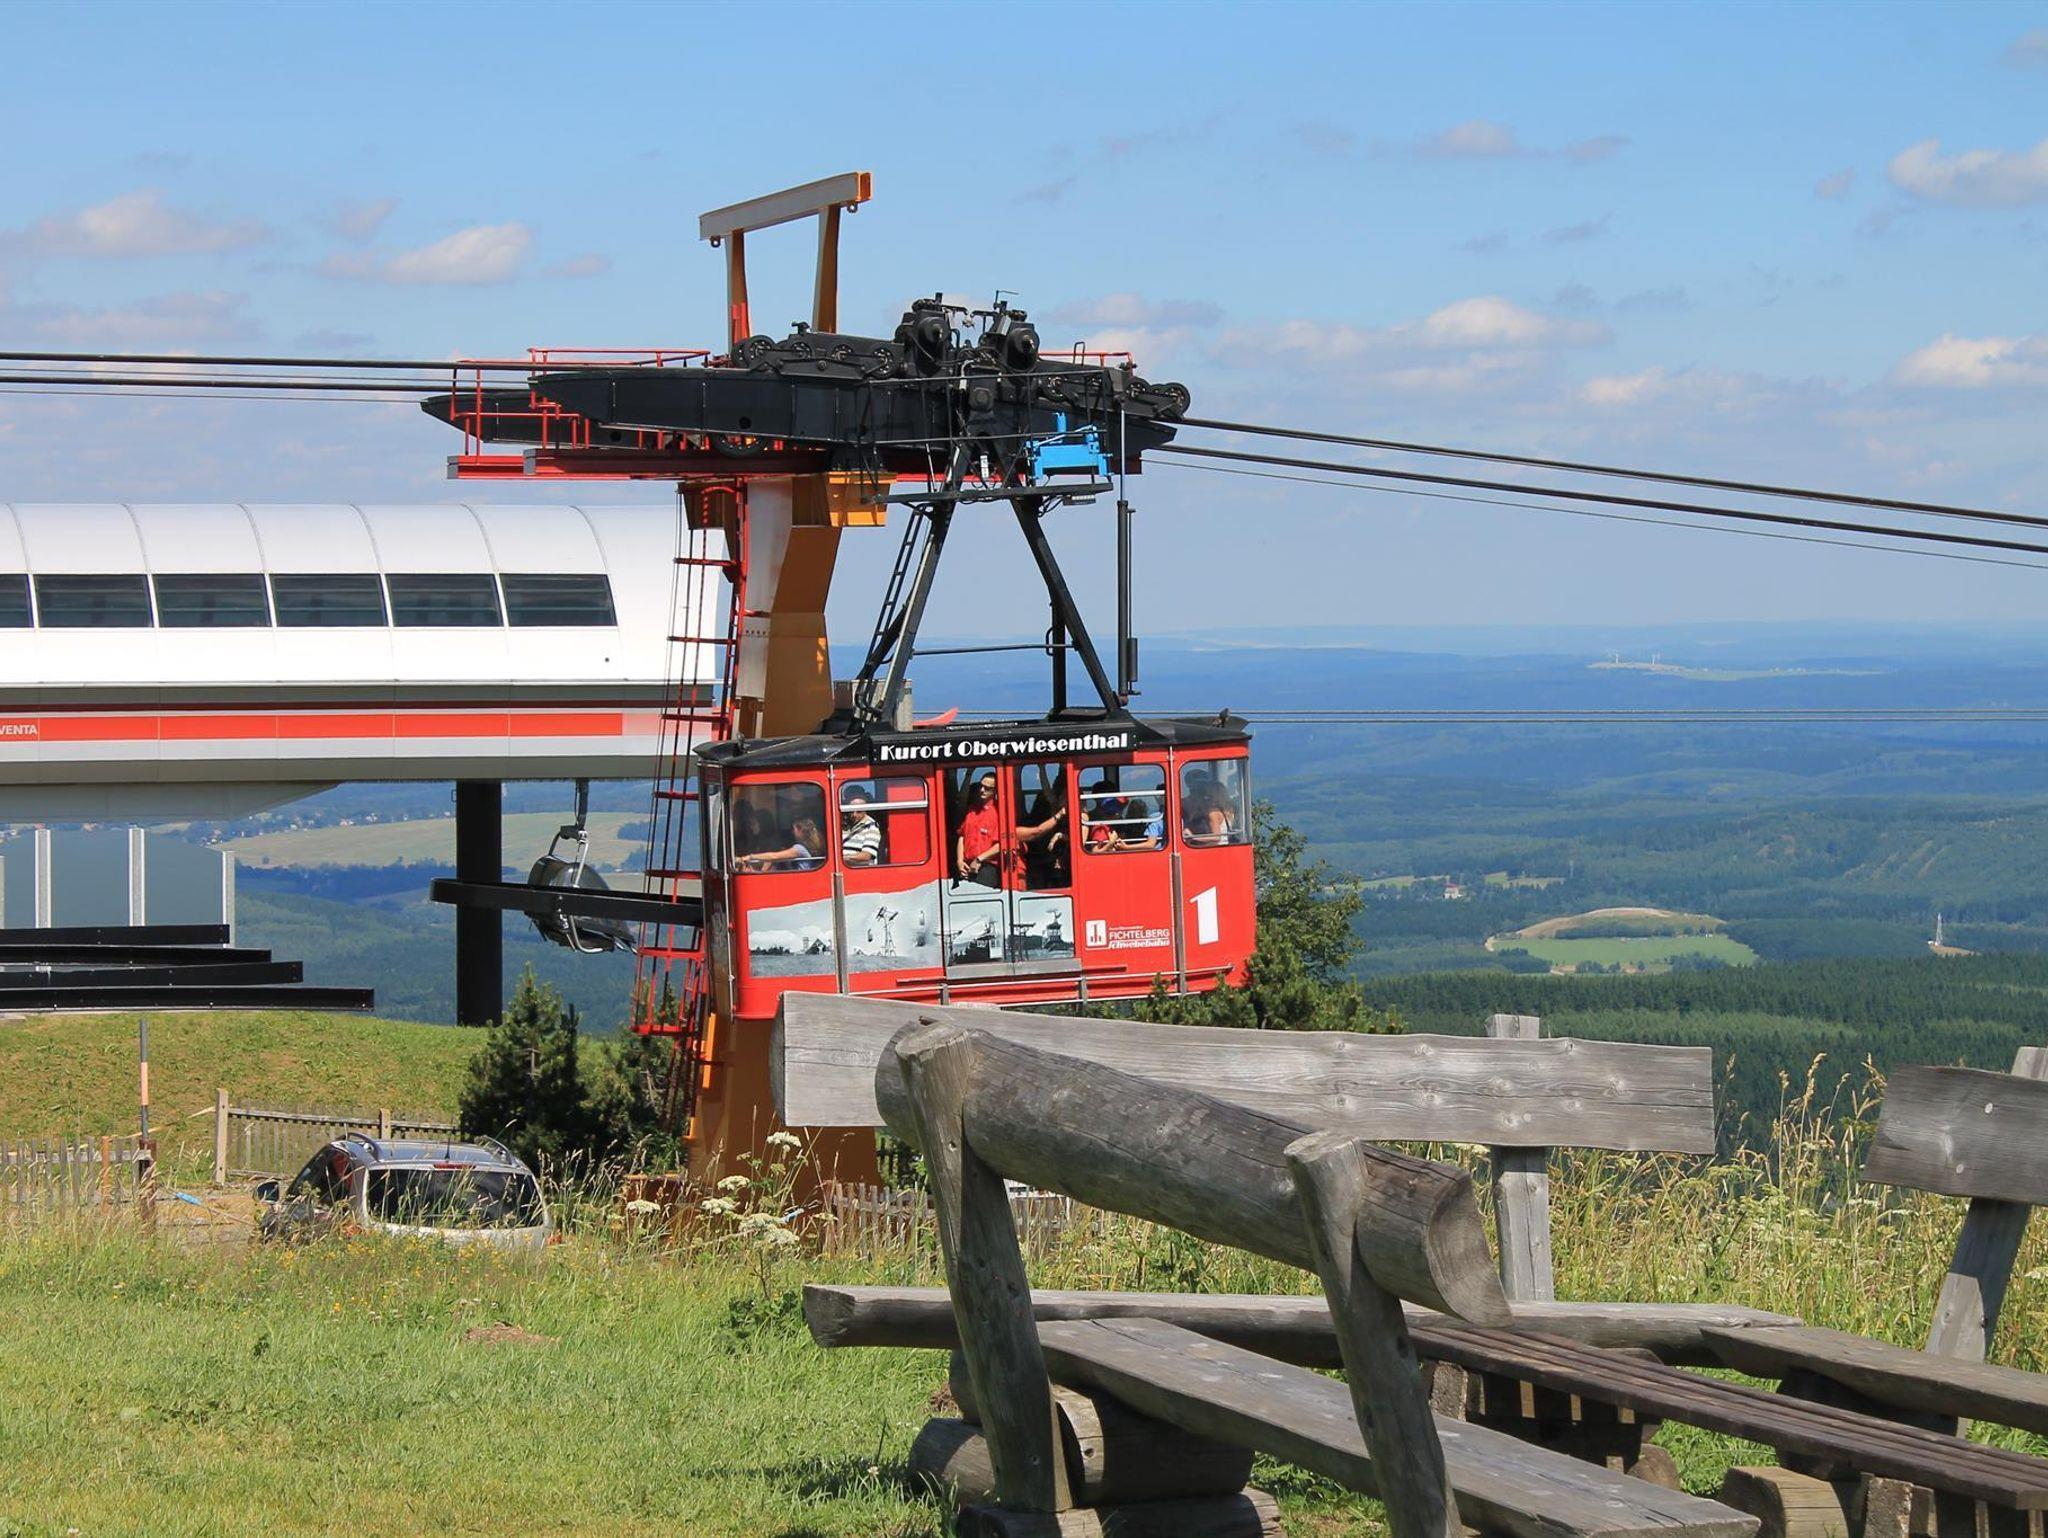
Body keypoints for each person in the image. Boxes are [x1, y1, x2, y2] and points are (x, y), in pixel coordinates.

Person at [954, 771, 1004, 887]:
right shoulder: (972, 809)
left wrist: (979, 859)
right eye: (981, 786)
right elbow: (962, 836)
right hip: (966, 866)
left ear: (995, 791)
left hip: (987, 867)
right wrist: (960, 861)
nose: (982, 790)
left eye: (987, 788)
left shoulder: (999, 813)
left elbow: (1002, 844)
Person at [738, 814, 825, 872]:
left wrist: (750, 857)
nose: (792, 832)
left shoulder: (799, 849)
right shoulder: (811, 846)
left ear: (800, 830)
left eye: (794, 829)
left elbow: (773, 856)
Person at [840, 793, 882, 867]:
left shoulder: (872, 826)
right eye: (851, 810)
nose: (854, 815)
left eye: (859, 811)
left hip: (860, 870)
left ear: (865, 809)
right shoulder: (842, 823)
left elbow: (866, 855)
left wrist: (841, 858)